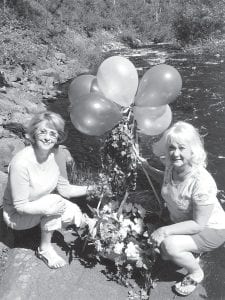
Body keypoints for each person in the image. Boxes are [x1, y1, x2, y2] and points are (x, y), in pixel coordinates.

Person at [136, 121, 225, 296]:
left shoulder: (202, 183)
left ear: (193, 150)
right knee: (163, 253)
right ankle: (190, 249)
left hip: (211, 228)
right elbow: (166, 180)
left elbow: (199, 224)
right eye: (171, 147)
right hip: (184, 221)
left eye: (182, 148)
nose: (175, 153)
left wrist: (164, 231)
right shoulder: (172, 166)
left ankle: (196, 272)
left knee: (168, 247)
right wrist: (147, 167)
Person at [3, 111, 96, 269]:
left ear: (58, 137)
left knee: (74, 212)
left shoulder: (57, 156)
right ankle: (44, 248)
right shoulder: (21, 163)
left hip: (39, 203)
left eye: (52, 134)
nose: (47, 137)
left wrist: (94, 189)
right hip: (17, 215)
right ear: (33, 133)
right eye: (43, 131)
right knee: (55, 202)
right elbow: (20, 206)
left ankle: (88, 226)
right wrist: (49, 208)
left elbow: (65, 190)